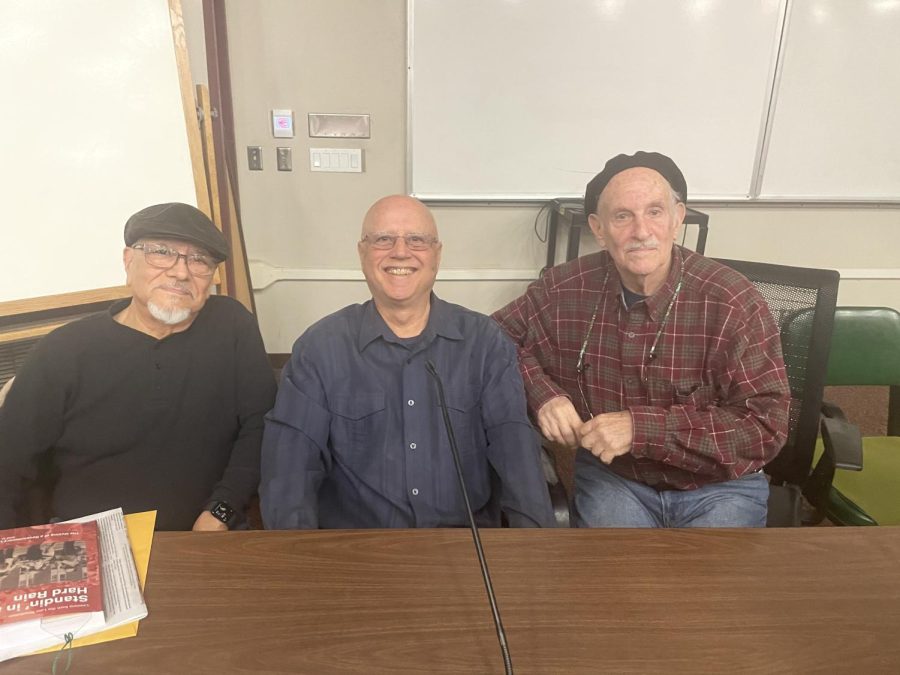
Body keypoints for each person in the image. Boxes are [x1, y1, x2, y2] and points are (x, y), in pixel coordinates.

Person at [493, 152, 791, 528]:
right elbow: (492, 339)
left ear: (678, 218)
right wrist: (543, 395)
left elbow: (766, 427)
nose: (641, 231)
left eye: (654, 211)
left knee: (711, 587)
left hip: (719, 485)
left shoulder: (731, 301)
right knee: (616, 583)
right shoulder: (563, 288)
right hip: (617, 478)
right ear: (598, 229)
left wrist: (640, 429)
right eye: (622, 216)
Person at [261, 195, 554, 529]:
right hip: (356, 552)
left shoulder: (484, 342)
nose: (400, 251)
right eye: (383, 239)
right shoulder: (319, 349)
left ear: (437, 254)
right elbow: (289, 472)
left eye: (416, 240)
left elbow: (515, 452)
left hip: (466, 548)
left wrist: (537, 551)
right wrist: (297, 564)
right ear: (362, 253)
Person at [0, 203, 276, 531]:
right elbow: (8, 462)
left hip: (206, 531)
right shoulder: (64, 350)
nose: (180, 272)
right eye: (161, 252)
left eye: (199, 259)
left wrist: (222, 510)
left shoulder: (232, 325)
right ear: (129, 261)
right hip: (89, 539)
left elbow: (262, 426)